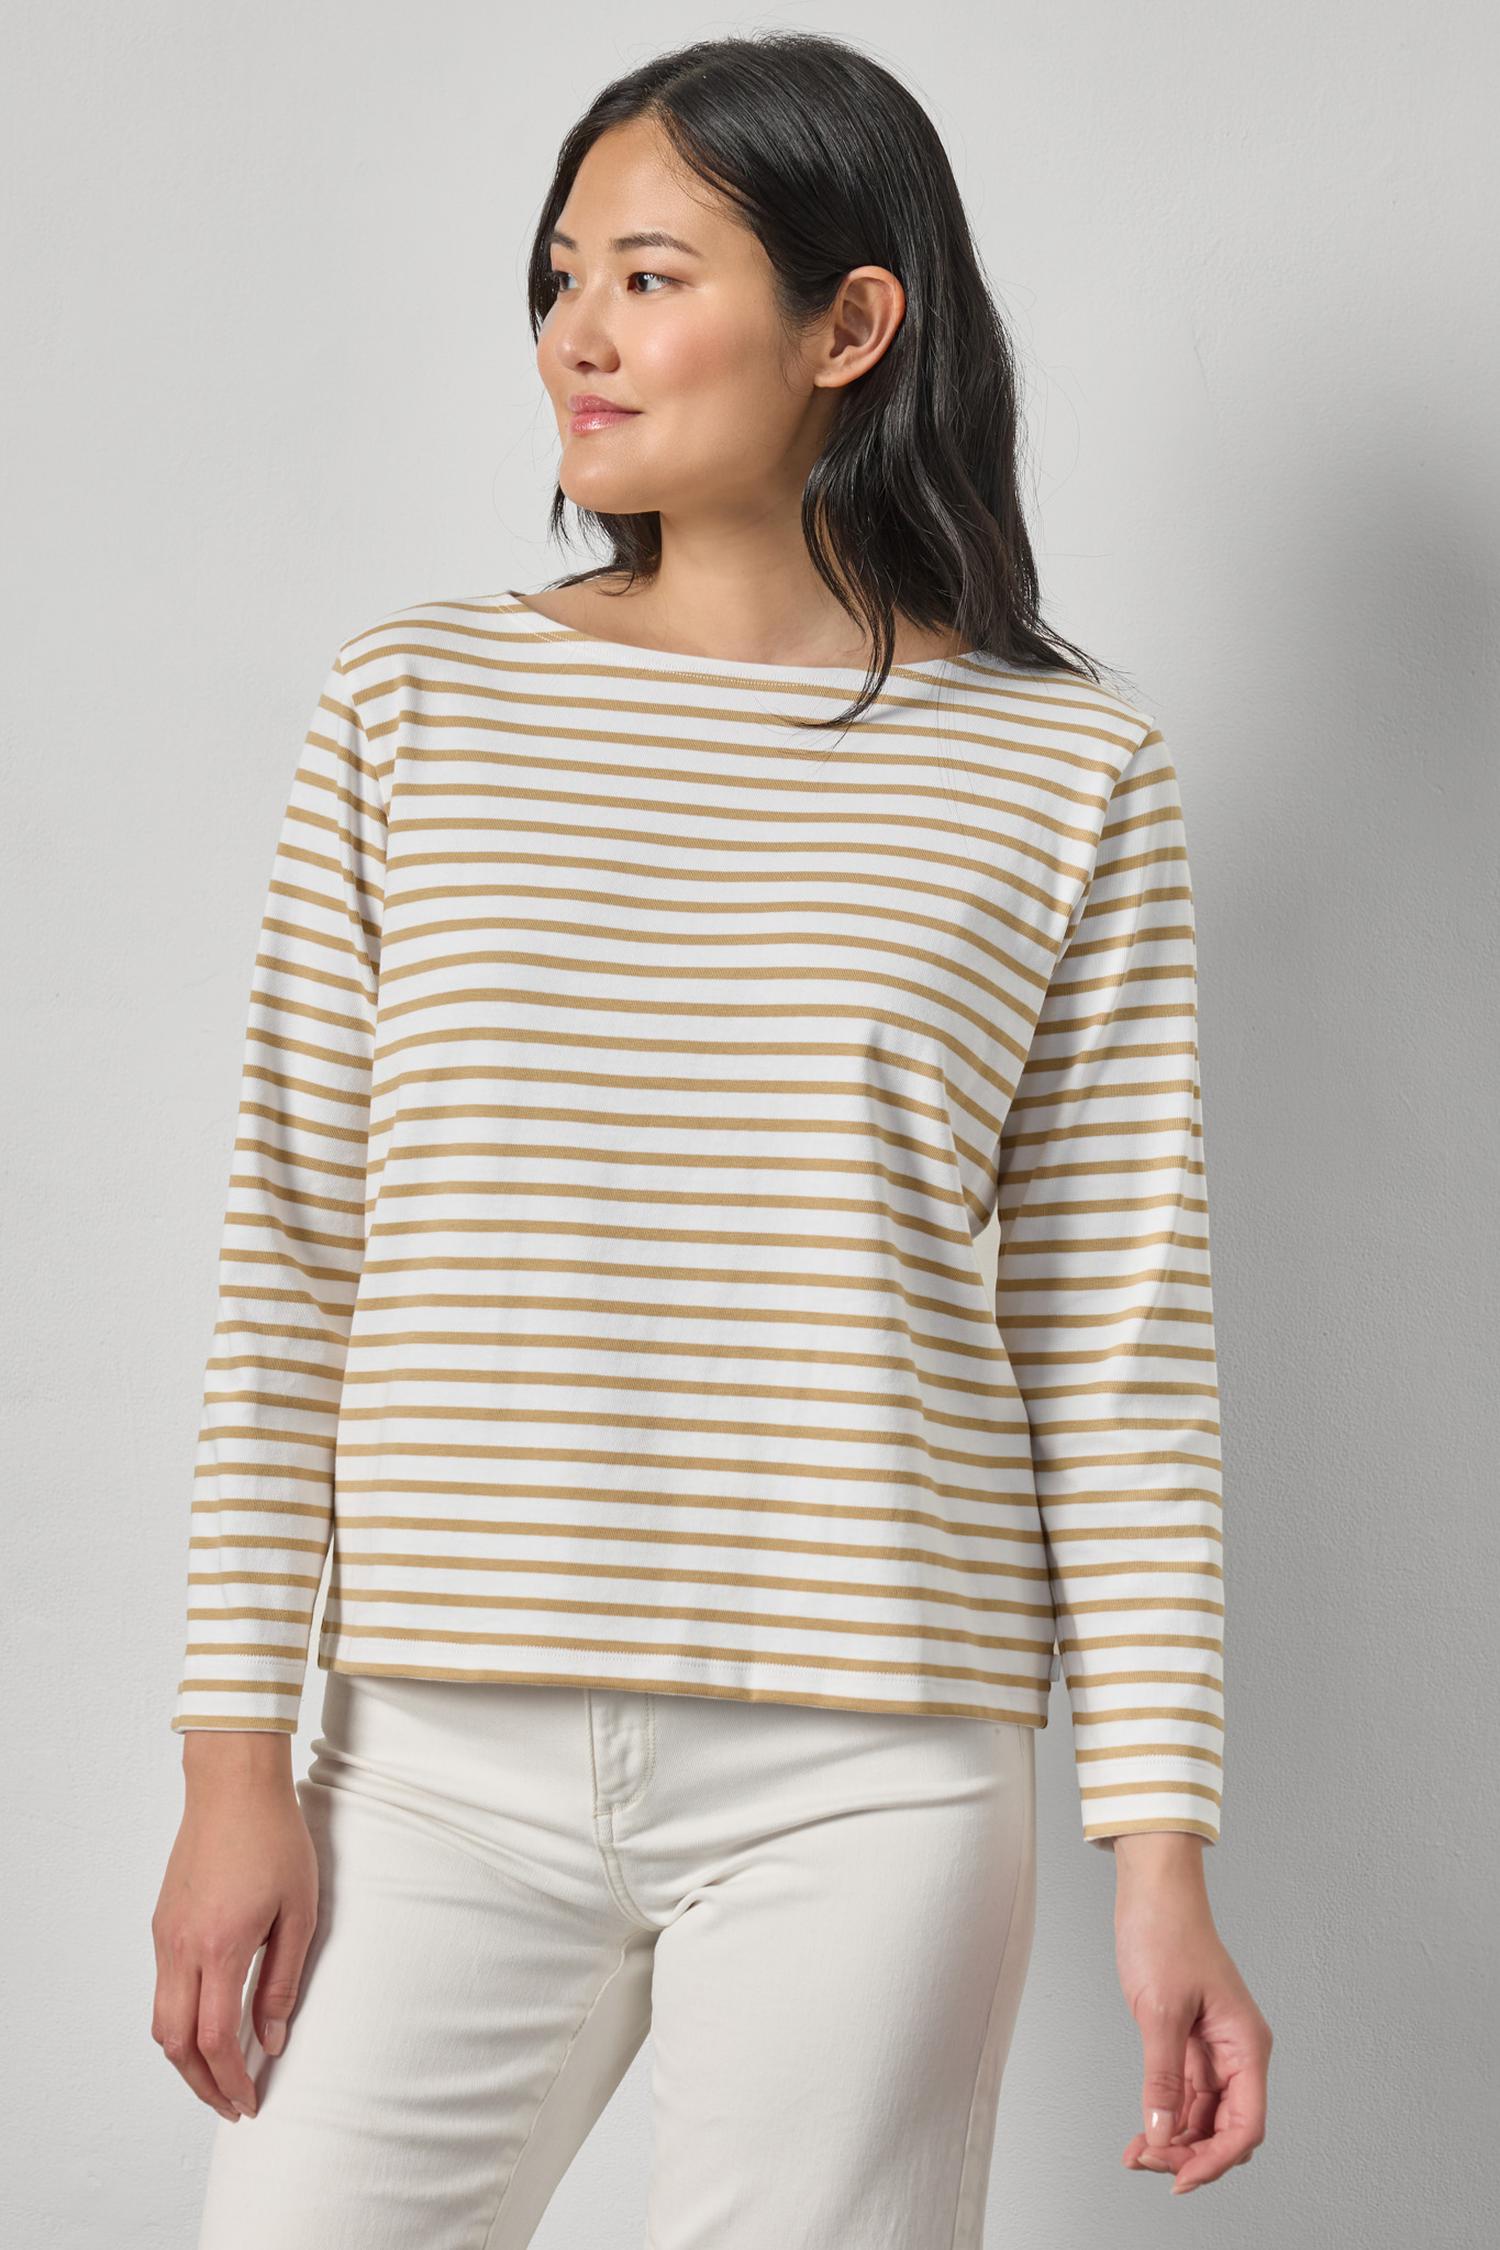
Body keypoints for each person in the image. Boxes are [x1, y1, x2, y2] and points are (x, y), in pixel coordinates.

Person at [152, 30, 1271, 2248]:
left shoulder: (1065, 770)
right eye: (561, 274)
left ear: (851, 324)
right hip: (433, 1754)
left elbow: (1115, 1344)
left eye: (650, 276)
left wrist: (1165, 1865)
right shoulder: (417, 701)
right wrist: (231, 1768)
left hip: (873, 1767)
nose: (576, 332)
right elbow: (293, 1255)